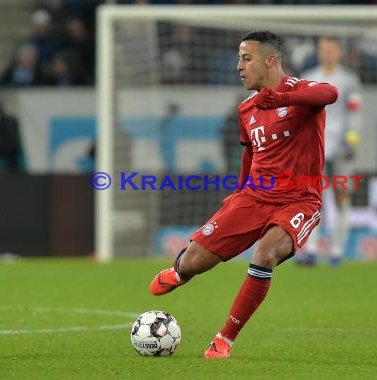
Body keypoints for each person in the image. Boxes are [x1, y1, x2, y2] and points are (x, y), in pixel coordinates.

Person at [148, 31, 338, 359]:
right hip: (253, 198)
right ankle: (180, 271)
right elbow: (250, 154)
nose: (239, 66)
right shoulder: (247, 109)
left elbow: (331, 93)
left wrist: (281, 100)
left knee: (265, 255)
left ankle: (225, 338)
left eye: (246, 58)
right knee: (193, 261)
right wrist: (237, 194)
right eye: (239, 58)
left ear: (270, 60)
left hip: (298, 201)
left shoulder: (301, 93)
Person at [298, 36, 363, 267]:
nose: (327, 53)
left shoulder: (349, 80)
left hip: (342, 147)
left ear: (338, 52)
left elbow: (355, 112)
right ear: (318, 51)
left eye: (331, 49)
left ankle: (336, 250)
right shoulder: (309, 78)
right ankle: (311, 249)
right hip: (315, 146)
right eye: (323, 49)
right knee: (310, 197)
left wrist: (352, 140)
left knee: (341, 196)